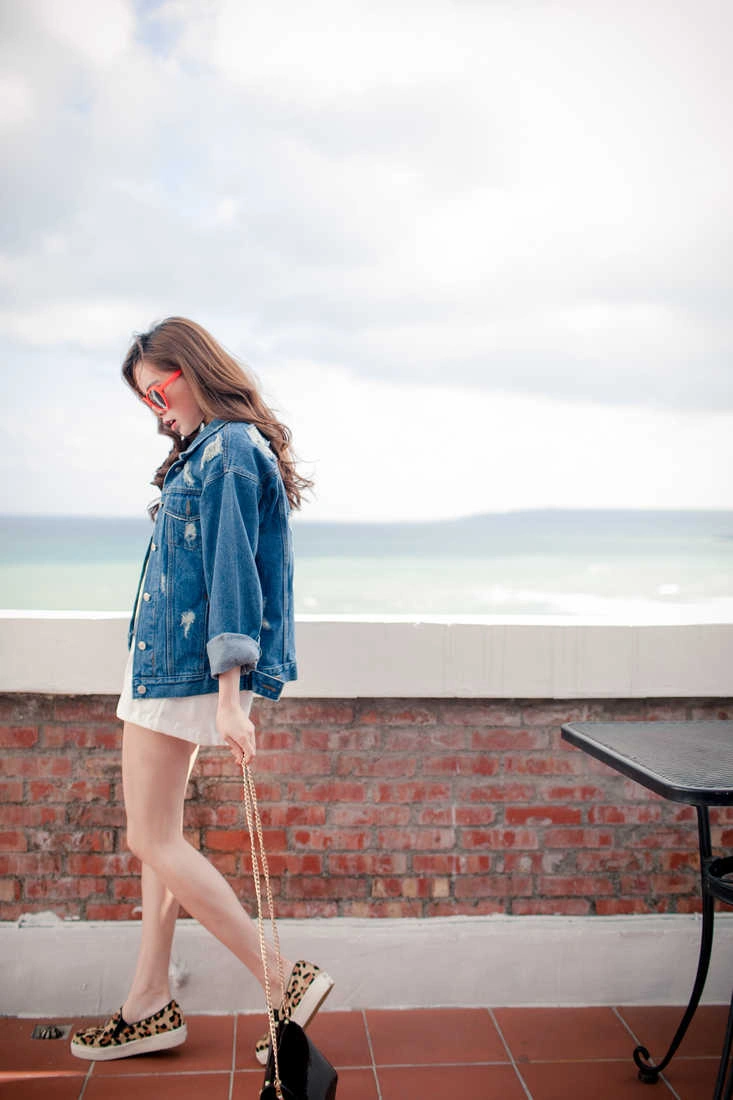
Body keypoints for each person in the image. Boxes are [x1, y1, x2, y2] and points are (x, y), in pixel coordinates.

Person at [69, 317, 332, 1063]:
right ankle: (149, 1001)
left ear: (190, 371)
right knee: (162, 840)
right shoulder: (211, 449)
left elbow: (232, 576)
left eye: (158, 391)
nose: (154, 409)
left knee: (148, 837)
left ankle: (281, 980)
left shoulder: (229, 450)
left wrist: (227, 697)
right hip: (167, 662)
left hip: (185, 669)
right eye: (144, 400)